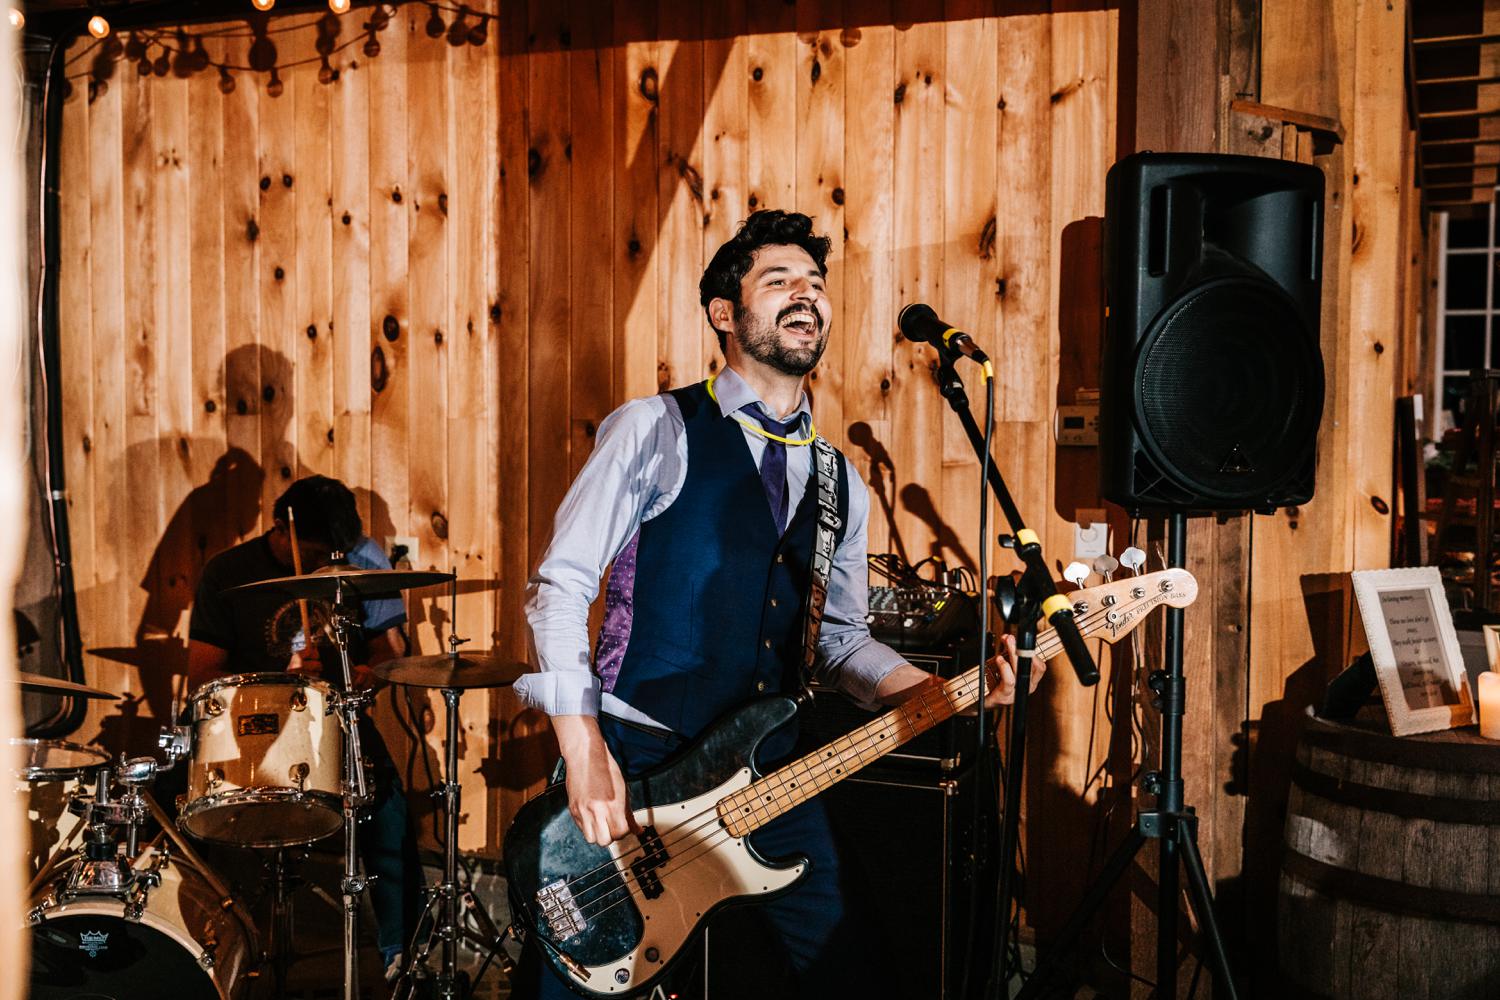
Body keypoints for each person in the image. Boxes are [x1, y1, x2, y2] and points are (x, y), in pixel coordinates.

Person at [513, 210, 1039, 998]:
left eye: (817, 283)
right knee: (585, 980)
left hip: (771, 769)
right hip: (640, 759)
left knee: (847, 967)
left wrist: (948, 697)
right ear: (725, 314)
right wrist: (583, 747)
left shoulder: (839, 481)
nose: (808, 295)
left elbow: (844, 643)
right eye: (780, 280)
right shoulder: (654, 429)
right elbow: (561, 588)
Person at [185, 475, 423, 982]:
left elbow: (389, 656)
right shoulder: (226, 572)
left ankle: (400, 955)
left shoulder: (362, 556)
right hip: (250, 731)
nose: (328, 559)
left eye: (336, 550)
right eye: (316, 551)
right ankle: (220, 955)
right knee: (201, 821)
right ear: (282, 529)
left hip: (334, 722)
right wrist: (280, 682)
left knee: (390, 811)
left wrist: (347, 678)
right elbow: (202, 675)